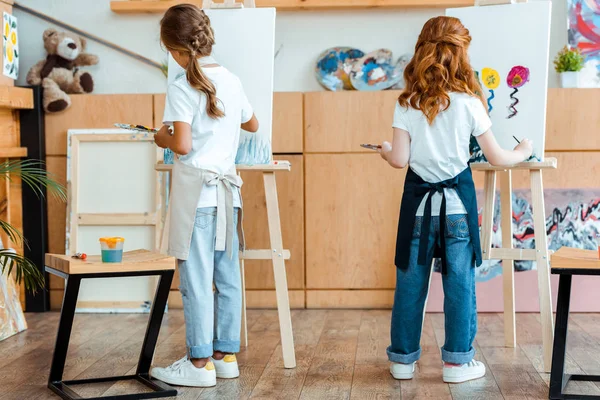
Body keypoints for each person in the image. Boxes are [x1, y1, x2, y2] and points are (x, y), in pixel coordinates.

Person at [378, 16, 533, 384]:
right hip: (457, 208)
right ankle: (457, 363)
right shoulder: (469, 103)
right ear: (460, 54)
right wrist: (524, 151)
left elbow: (400, 159)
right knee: (460, 282)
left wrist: (385, 150)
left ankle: (402, 360)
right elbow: (496, 157)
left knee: (411, 283)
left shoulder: (408, 102)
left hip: (418, 205)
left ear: (422, 51)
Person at [150, 4, 259, 388]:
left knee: (196, 279)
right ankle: (224, 356)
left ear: (174, 50)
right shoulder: (230, 78)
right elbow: (253, 122)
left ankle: (198, 365)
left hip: (198, 199)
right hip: (228, 197)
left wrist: (158, 135)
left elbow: (181, 144)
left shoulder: (181, 85)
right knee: (227, 277)